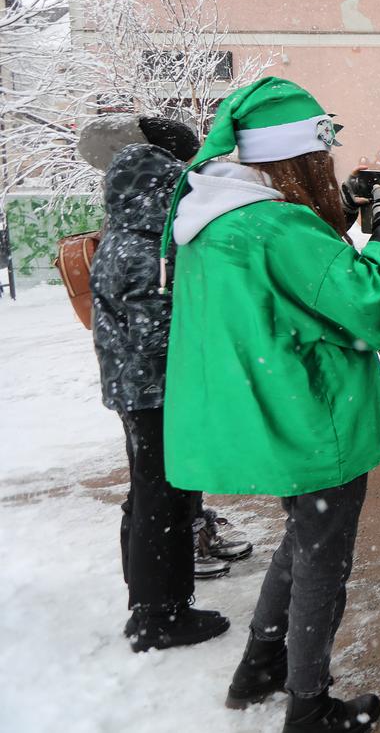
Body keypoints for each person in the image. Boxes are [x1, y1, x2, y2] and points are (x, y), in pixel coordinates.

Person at [161, 77, 380, 730]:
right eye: (320, 157)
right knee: (322, 558)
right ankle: (308, 702)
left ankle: (260, 663)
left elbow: (287, 285)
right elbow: (363, 301)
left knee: (305, 536)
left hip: (274, 409)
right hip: (315, 416)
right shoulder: (275, 227)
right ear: (295, 157)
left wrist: (336, 210)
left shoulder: (219, 218)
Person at [78, 113, 234, 653]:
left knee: (153, 495)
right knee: (161, 500)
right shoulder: (145, 247)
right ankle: (158, 614)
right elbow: (157, 335)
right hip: (155, 393)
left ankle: (149, 600)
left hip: (139, 391)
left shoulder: (125, 234)